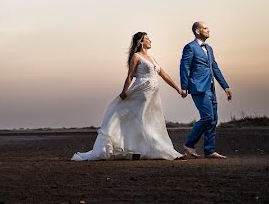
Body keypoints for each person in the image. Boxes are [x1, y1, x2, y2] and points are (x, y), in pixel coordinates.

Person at [72, 32, 185, 161]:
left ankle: (152, 150)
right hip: (141, 92)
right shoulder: (136, 57)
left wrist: (178, 89)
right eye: (147, 39)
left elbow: (164, 75)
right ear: (140, 42)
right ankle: (146, 150)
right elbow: (130, 76)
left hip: (153, 95)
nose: (150, 40)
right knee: (142, 120)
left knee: (153, 120)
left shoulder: (152, 58)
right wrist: (124, 92)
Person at [180, 21, 232, 159]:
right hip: (198, 87)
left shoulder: (209, 48)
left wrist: (225, 86)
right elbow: (184, 67)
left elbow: (215, 68)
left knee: (214, 119)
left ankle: (209, 150)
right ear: (197, 31)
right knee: (207, 117)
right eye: (205, 28)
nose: (208, 30)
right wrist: (184, 87)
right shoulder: (190, 47)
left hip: (211, 88)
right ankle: (189, 144)